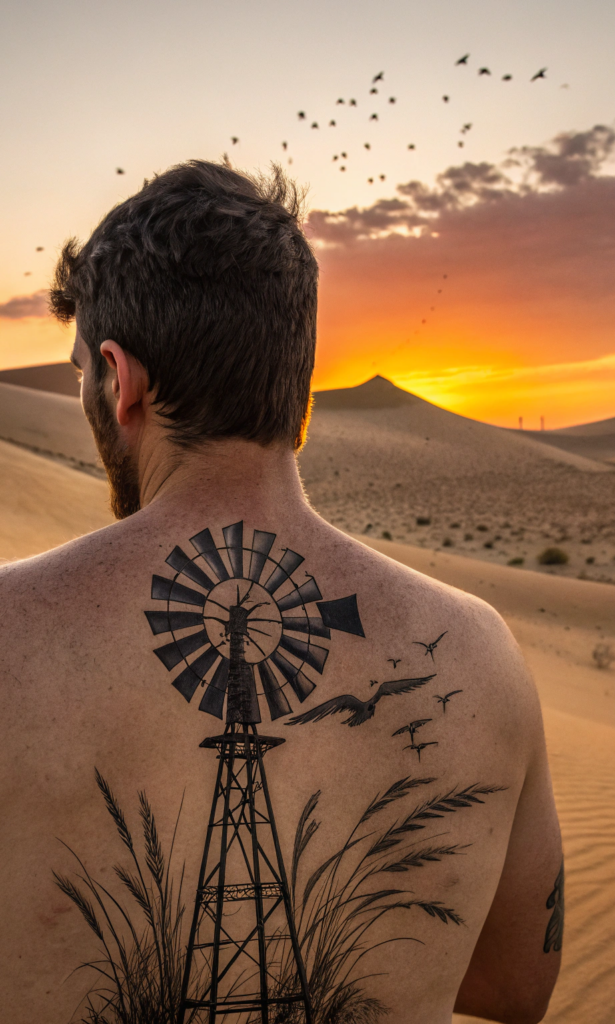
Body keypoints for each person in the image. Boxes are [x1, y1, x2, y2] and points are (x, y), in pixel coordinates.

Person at [0, 159, 562, 1024]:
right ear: (296, 383)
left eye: (83, 371)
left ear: (122, 379)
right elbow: (512, 988)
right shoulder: (478, 653)